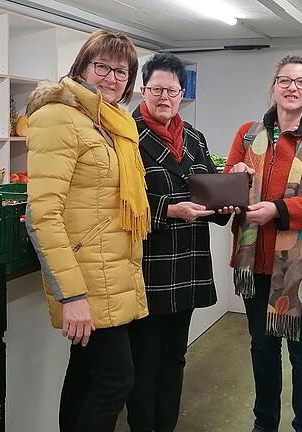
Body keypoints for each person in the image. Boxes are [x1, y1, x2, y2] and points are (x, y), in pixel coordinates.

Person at [24, 30, 151, 432]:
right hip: (87, 278)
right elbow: (42, 215)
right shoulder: (58, 116)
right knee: (117, 380)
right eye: (102, 67)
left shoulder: (112, 124)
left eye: (122, 72)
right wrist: (73, 295)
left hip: (112, 270)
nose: (112, 78)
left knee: (86, 374)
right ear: (81, 67)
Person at [225, 55, 302, 432]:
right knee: (262, 349)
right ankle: (265, 424)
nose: (292, 88)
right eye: (284, 81)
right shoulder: (248, 134)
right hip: (256, 261)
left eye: (300, 82)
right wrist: (237, 177)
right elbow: (228, 188)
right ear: (274, 86)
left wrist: (278, 209)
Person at [127, 53, 232, 432]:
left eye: (172, 90)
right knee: (144, 359)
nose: (164, 97)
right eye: (156, 89)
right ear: (143, 89)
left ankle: (165, 426)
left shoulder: (194, 137)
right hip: (148, 267)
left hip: (187, 266)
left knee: (175, 357)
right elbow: (117, 199)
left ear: (182, 93)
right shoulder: (126, 134)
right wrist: (169, 210)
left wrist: (228, 199)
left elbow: (211, 188)